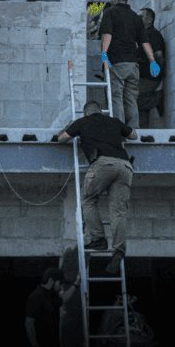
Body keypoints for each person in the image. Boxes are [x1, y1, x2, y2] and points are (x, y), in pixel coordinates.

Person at [58, 101, 137, 274]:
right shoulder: (113, 121)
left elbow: (61, 138)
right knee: (118, 211)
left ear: (86, 112)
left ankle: (99, 238)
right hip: (125, 166)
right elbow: (134, 136)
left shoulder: (83, 122)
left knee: (88, 200)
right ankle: (118, 251)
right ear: (100, 111)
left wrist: (69, 128)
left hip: (102, 164)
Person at [98, 0, 160, 128]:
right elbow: (144, 42)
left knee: (116, 97)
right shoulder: (135, 17)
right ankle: (133, 129)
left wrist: (104, 55)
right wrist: (152, 61)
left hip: (117, 63)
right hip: (133, 66)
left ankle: (119, 129)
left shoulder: (110, 12)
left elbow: (107, 35)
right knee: (131, 99)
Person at [24, 267, 80, 347]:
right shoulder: (36, 297)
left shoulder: (49, 296)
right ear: (51, 281)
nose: (61, 286)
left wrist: (76, 283)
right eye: (59, 283)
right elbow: (29, 324)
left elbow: (63, 299)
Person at [136, 7, 166, 128]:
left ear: (150, 19)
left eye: (141, 17)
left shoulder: (152, 34)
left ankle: (156, 99)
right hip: (143, 77)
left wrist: (157, 75)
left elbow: (159, 56)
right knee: (139, 104)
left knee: (132, 98)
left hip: (149, 78)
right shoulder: (143, 35)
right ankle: (143, 131)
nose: (138, 19)